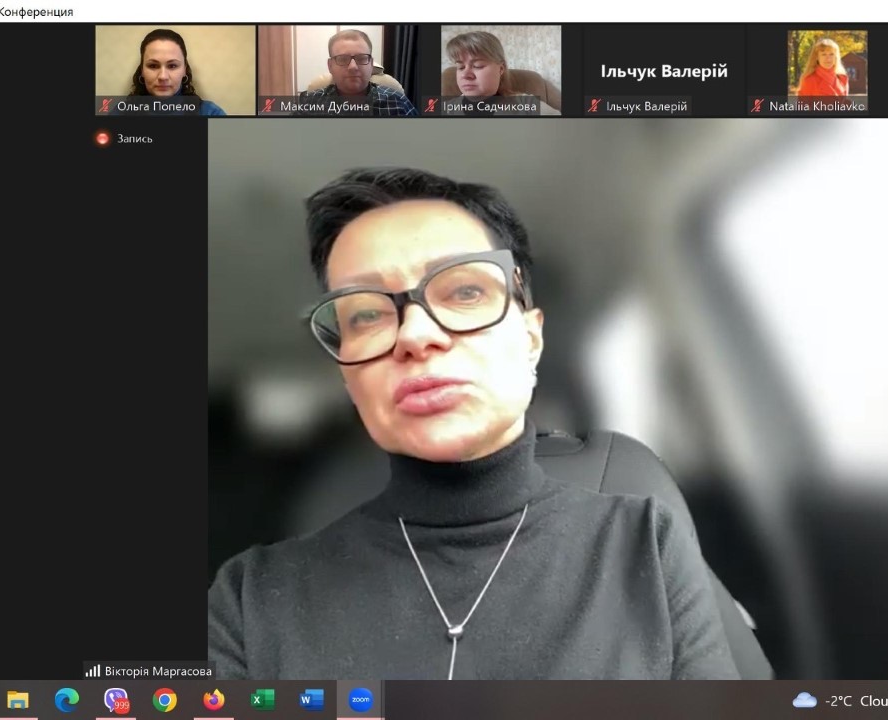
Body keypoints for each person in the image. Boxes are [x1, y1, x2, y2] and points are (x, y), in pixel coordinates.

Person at [207, 168, 740, 680]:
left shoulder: (646, 545)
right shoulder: (251, 599)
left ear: (531, 338)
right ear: (348, 373)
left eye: (464, 292)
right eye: (366, 314)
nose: (415, 335)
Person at [295, 29, 418, 117]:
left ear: (371, 64)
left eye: (361, 58)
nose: (353, 67)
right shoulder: (310, 102)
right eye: (342, 59)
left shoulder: (397, 103)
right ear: (330, 66)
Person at [445, 30, 561, 116]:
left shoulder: (527, 104)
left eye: (477, 65)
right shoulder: (447, 109)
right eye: (460, 67)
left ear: (501, 69)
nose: (465, 75)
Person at [125, 28, 226, 116]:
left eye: (172, 66)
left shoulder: (211, 113)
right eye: (153, 66)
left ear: (184, 70)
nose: (163, 76)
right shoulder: (122, 113)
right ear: (142, 71)